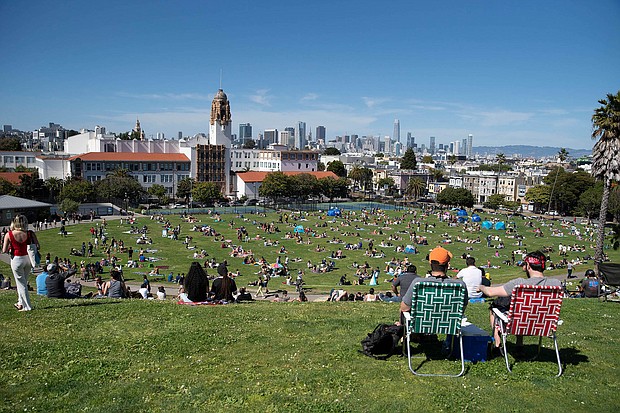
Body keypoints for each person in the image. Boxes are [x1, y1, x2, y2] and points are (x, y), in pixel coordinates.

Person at [478, 250, 562, 356]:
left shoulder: (519, 283)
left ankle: (497, 342)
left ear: (528, 266)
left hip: (519, 324)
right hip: (544, 324)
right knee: (523, 310)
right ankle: (519, 345)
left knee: (495, 308)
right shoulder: (556, 284)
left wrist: (481, 287)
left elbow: (490, 292)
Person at [400, 246, 468, 320]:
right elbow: (461, 310)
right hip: (447, 328)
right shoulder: (460, 285)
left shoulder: (418, 283)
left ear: (430, 263)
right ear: (448, 265)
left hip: (422, 326)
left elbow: (404, 308)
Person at [2, 215, 39, 311]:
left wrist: (11, 248)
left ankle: (27, 306)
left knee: (21, 284)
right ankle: (20, 302)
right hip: (28, 259)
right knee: (22, 282)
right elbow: (37, 246)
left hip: (17, 259)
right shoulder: (30, 233)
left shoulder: (9, 234)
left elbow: (4, 250)